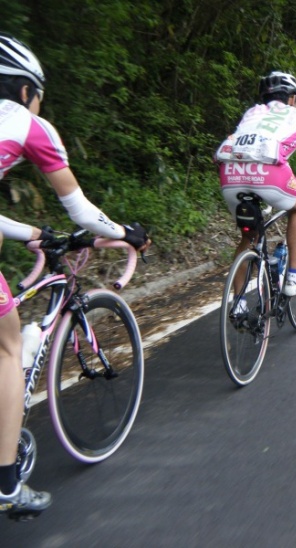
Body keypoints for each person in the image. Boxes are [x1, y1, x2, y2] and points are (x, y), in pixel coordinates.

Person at [0, 33, 149, 518]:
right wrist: (127, 232)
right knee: (7, 349)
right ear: (25, 90)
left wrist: (29, 233)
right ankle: (5, 484)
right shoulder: (28, 124)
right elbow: (83, 214)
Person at [216, 71, 296, 297]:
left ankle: (239, 304)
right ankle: (293, 277)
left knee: (249, 237)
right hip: (268, 171)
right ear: (291, 98)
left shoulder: (251, 112)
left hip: (229, 173)